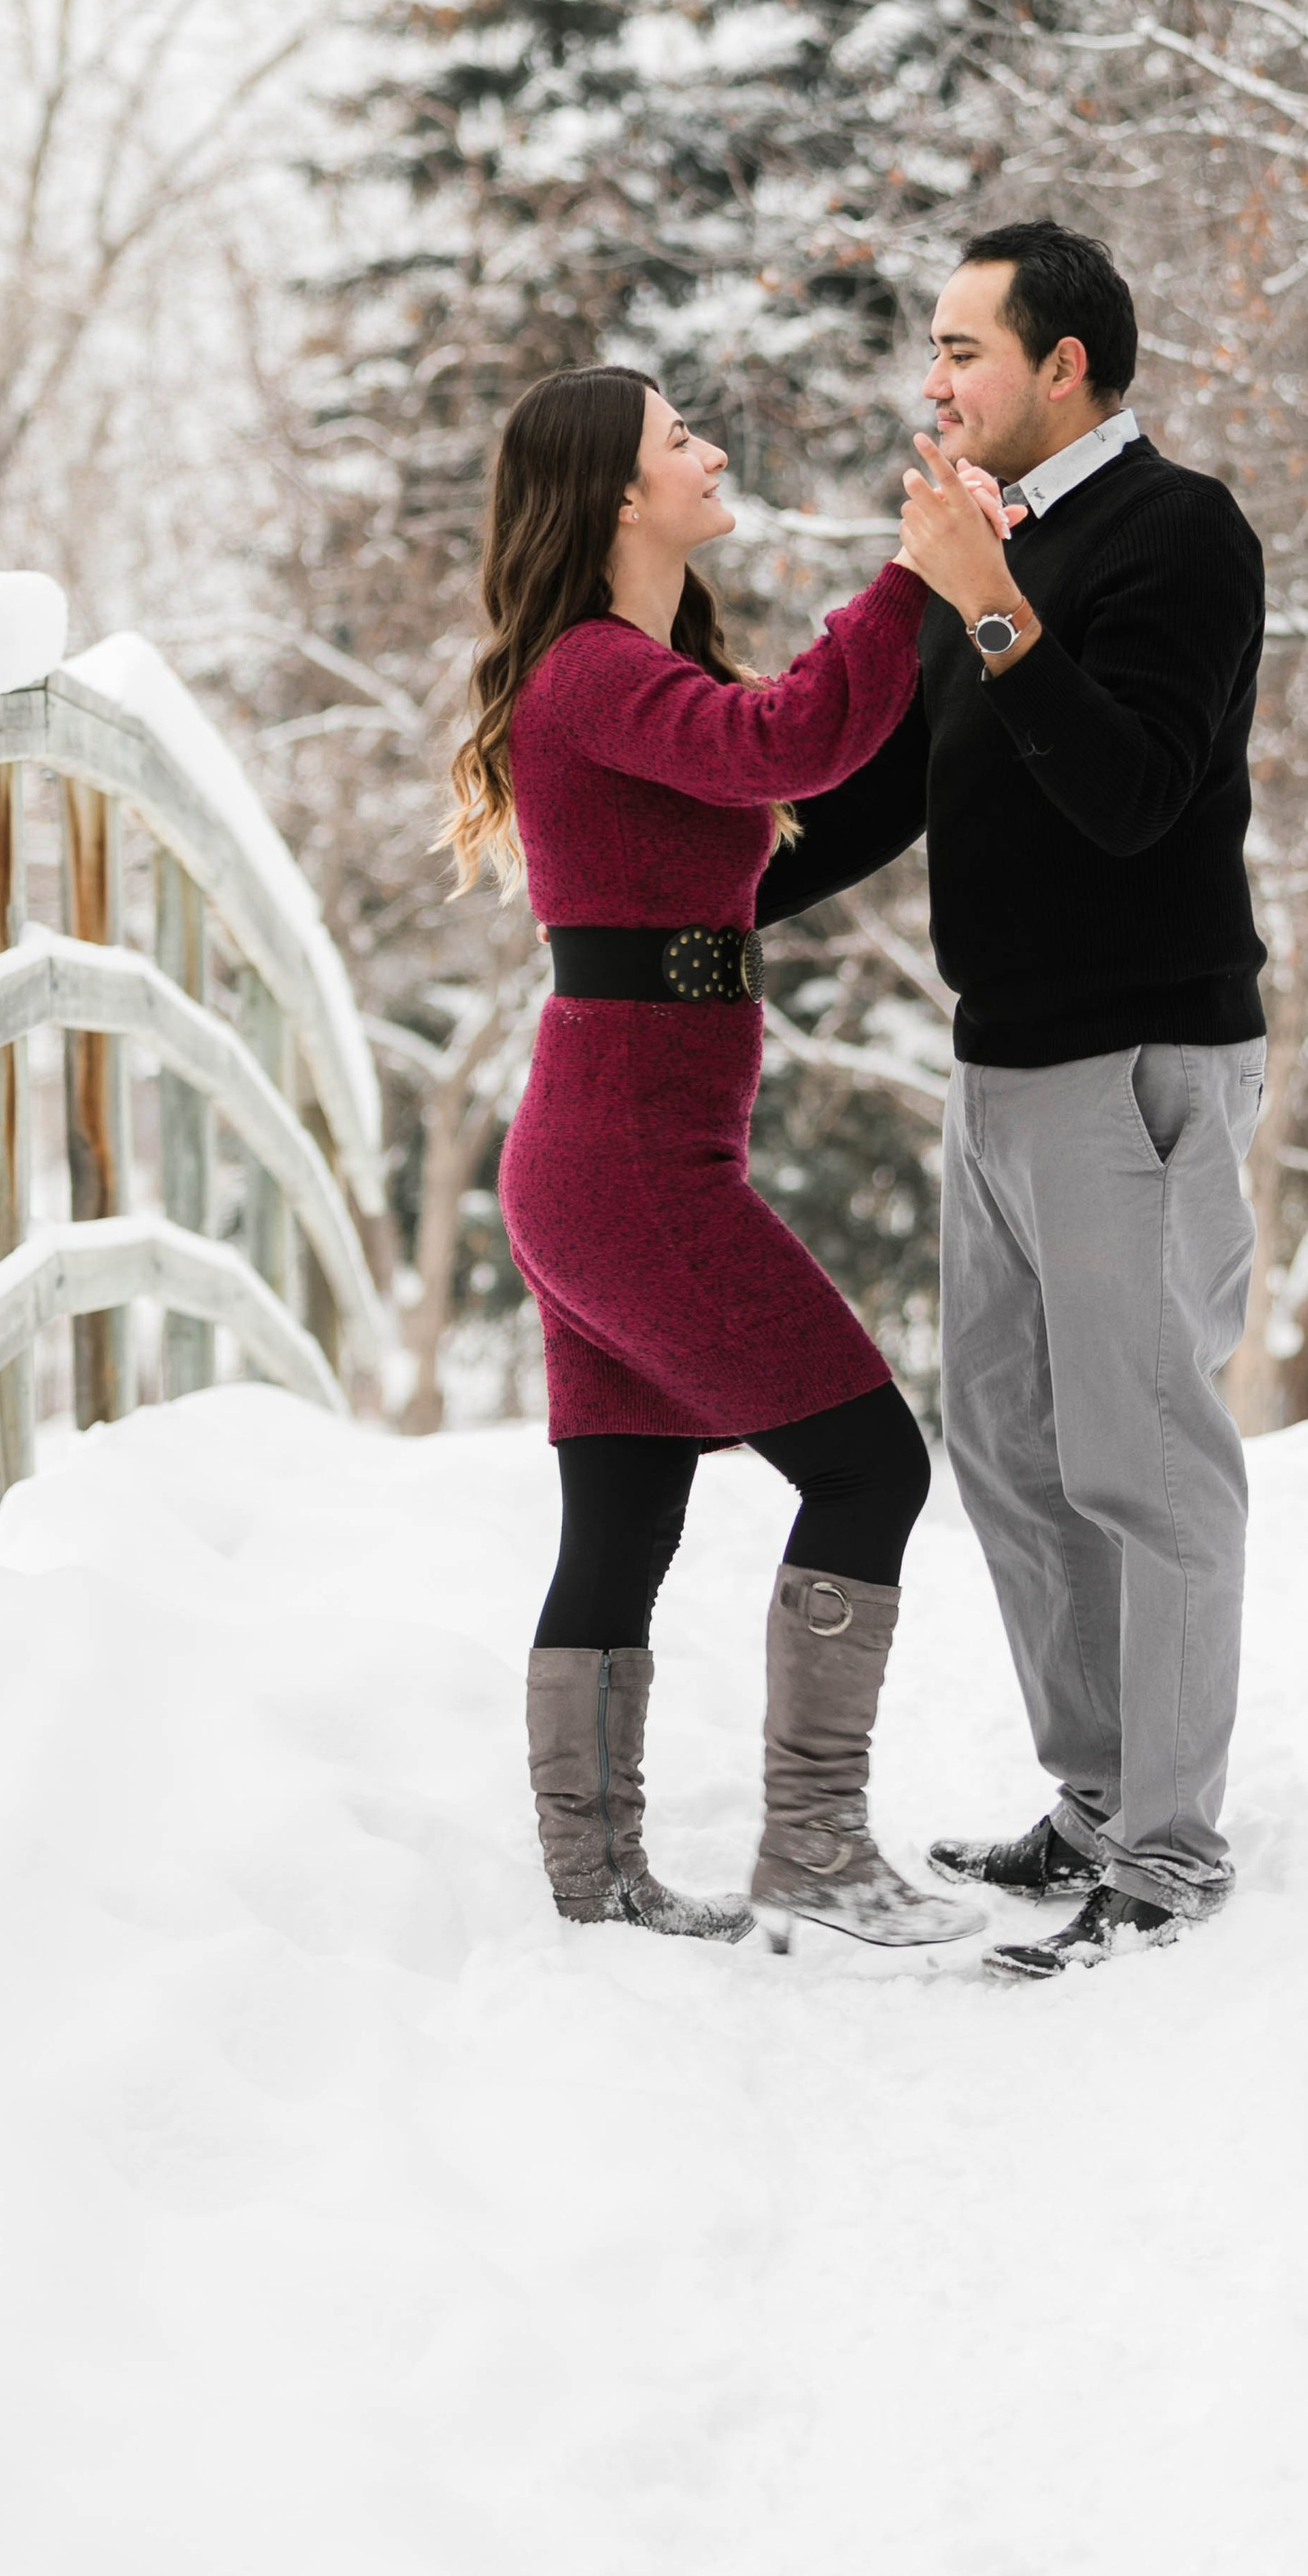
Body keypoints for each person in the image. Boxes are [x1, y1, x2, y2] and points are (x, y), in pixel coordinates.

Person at [759, 221, 1268, 1976]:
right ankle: (1099, 1793)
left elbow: (1128, 790)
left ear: (1063, 366)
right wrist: (689, 896)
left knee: (1142, 1458)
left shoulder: (1176, 533)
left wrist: (981, 592)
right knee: (1007, 1449)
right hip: (997, 1064)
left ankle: (1173, 1850)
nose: (935, 382)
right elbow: (893, 786)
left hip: (1130, 1061)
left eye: (962, 349)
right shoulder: (1009, 544)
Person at [446, 364, 981, 1953]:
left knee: (623, 1518)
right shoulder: (589, 675)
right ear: (617, 491)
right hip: (627, 1171)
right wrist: (909, 581)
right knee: (872, 1464)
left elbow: (820, 783)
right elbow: (788, 739)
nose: (712, 449)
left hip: (610, 1154)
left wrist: (958, 620)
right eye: (681, 437)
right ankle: (813, 1848)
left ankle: (595, 1884)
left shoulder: (630, 672)